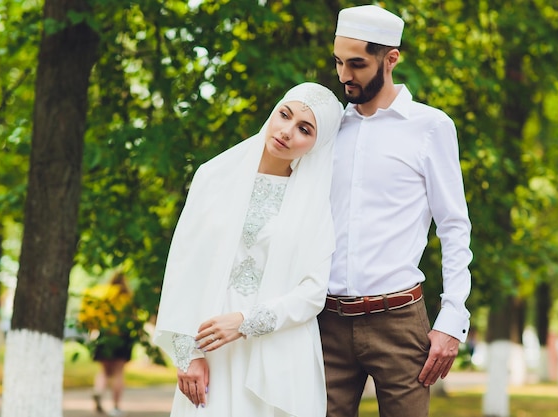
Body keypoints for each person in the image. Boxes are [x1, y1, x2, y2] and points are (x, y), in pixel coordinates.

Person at [319, 5, 473, 417]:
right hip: (325, 323)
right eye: (338, 62)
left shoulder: (430, 127)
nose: (344, 76)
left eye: (357, 64)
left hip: (400, 322)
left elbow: (454, 225)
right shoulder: (329, 129)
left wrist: (452, 318)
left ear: (391, 59)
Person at [154, 82, 343, 416]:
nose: (287, 131)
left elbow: (313, 292)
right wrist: (187, 352)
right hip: (208, 344)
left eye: (304, 129)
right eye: (284, 115)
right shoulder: (213, 177)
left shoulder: (314, 204)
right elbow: (184, 268)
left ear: (318, 143)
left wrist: (244, 322)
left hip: (278, 351)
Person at [78, 271, 139, 417]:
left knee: (104, 371)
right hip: (122, 337)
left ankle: (98, 391)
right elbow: (134, 318)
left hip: (104, 336)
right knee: (118, 372)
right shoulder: (126, 297)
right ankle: (116, 407)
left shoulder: (103, 295)